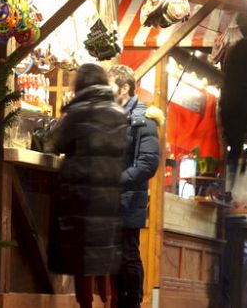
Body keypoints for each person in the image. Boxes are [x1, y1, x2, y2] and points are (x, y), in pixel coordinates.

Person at [44, 63, 128, 308]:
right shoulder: (119, 113)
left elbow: (53, 144)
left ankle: (86, 305)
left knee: (82, 258)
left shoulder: (78, 113)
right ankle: (108, 300)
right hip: (108, 195)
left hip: (80, 194)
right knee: (101, 252)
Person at [108, 64, 160, 308]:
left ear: (124, 87)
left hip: (127, 198)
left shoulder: (142, 117)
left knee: (128, 253)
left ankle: (133, 303)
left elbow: (148, 164)